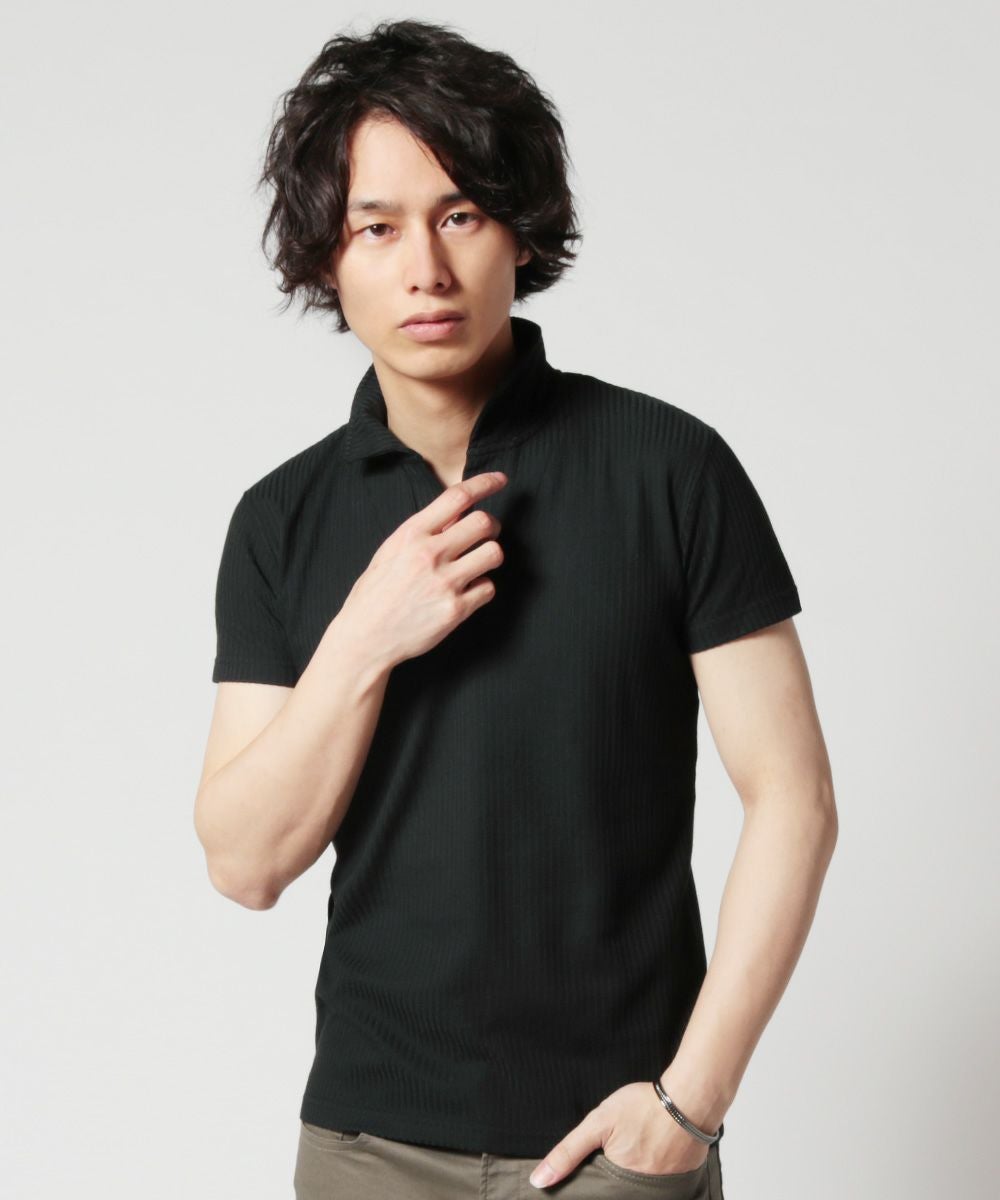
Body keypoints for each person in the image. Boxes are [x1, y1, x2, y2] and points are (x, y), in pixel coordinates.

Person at [193, 18, 838, 1200]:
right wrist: (364, 637)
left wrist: (688, 1107)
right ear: (327, 256)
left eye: (460, 216)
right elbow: (245, 860)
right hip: (366, 1148)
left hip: (614, 1147)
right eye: (376, 228)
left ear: (520, 230)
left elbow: (793, 799)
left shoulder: (669, 469)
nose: (424, 270)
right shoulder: (280, 519)